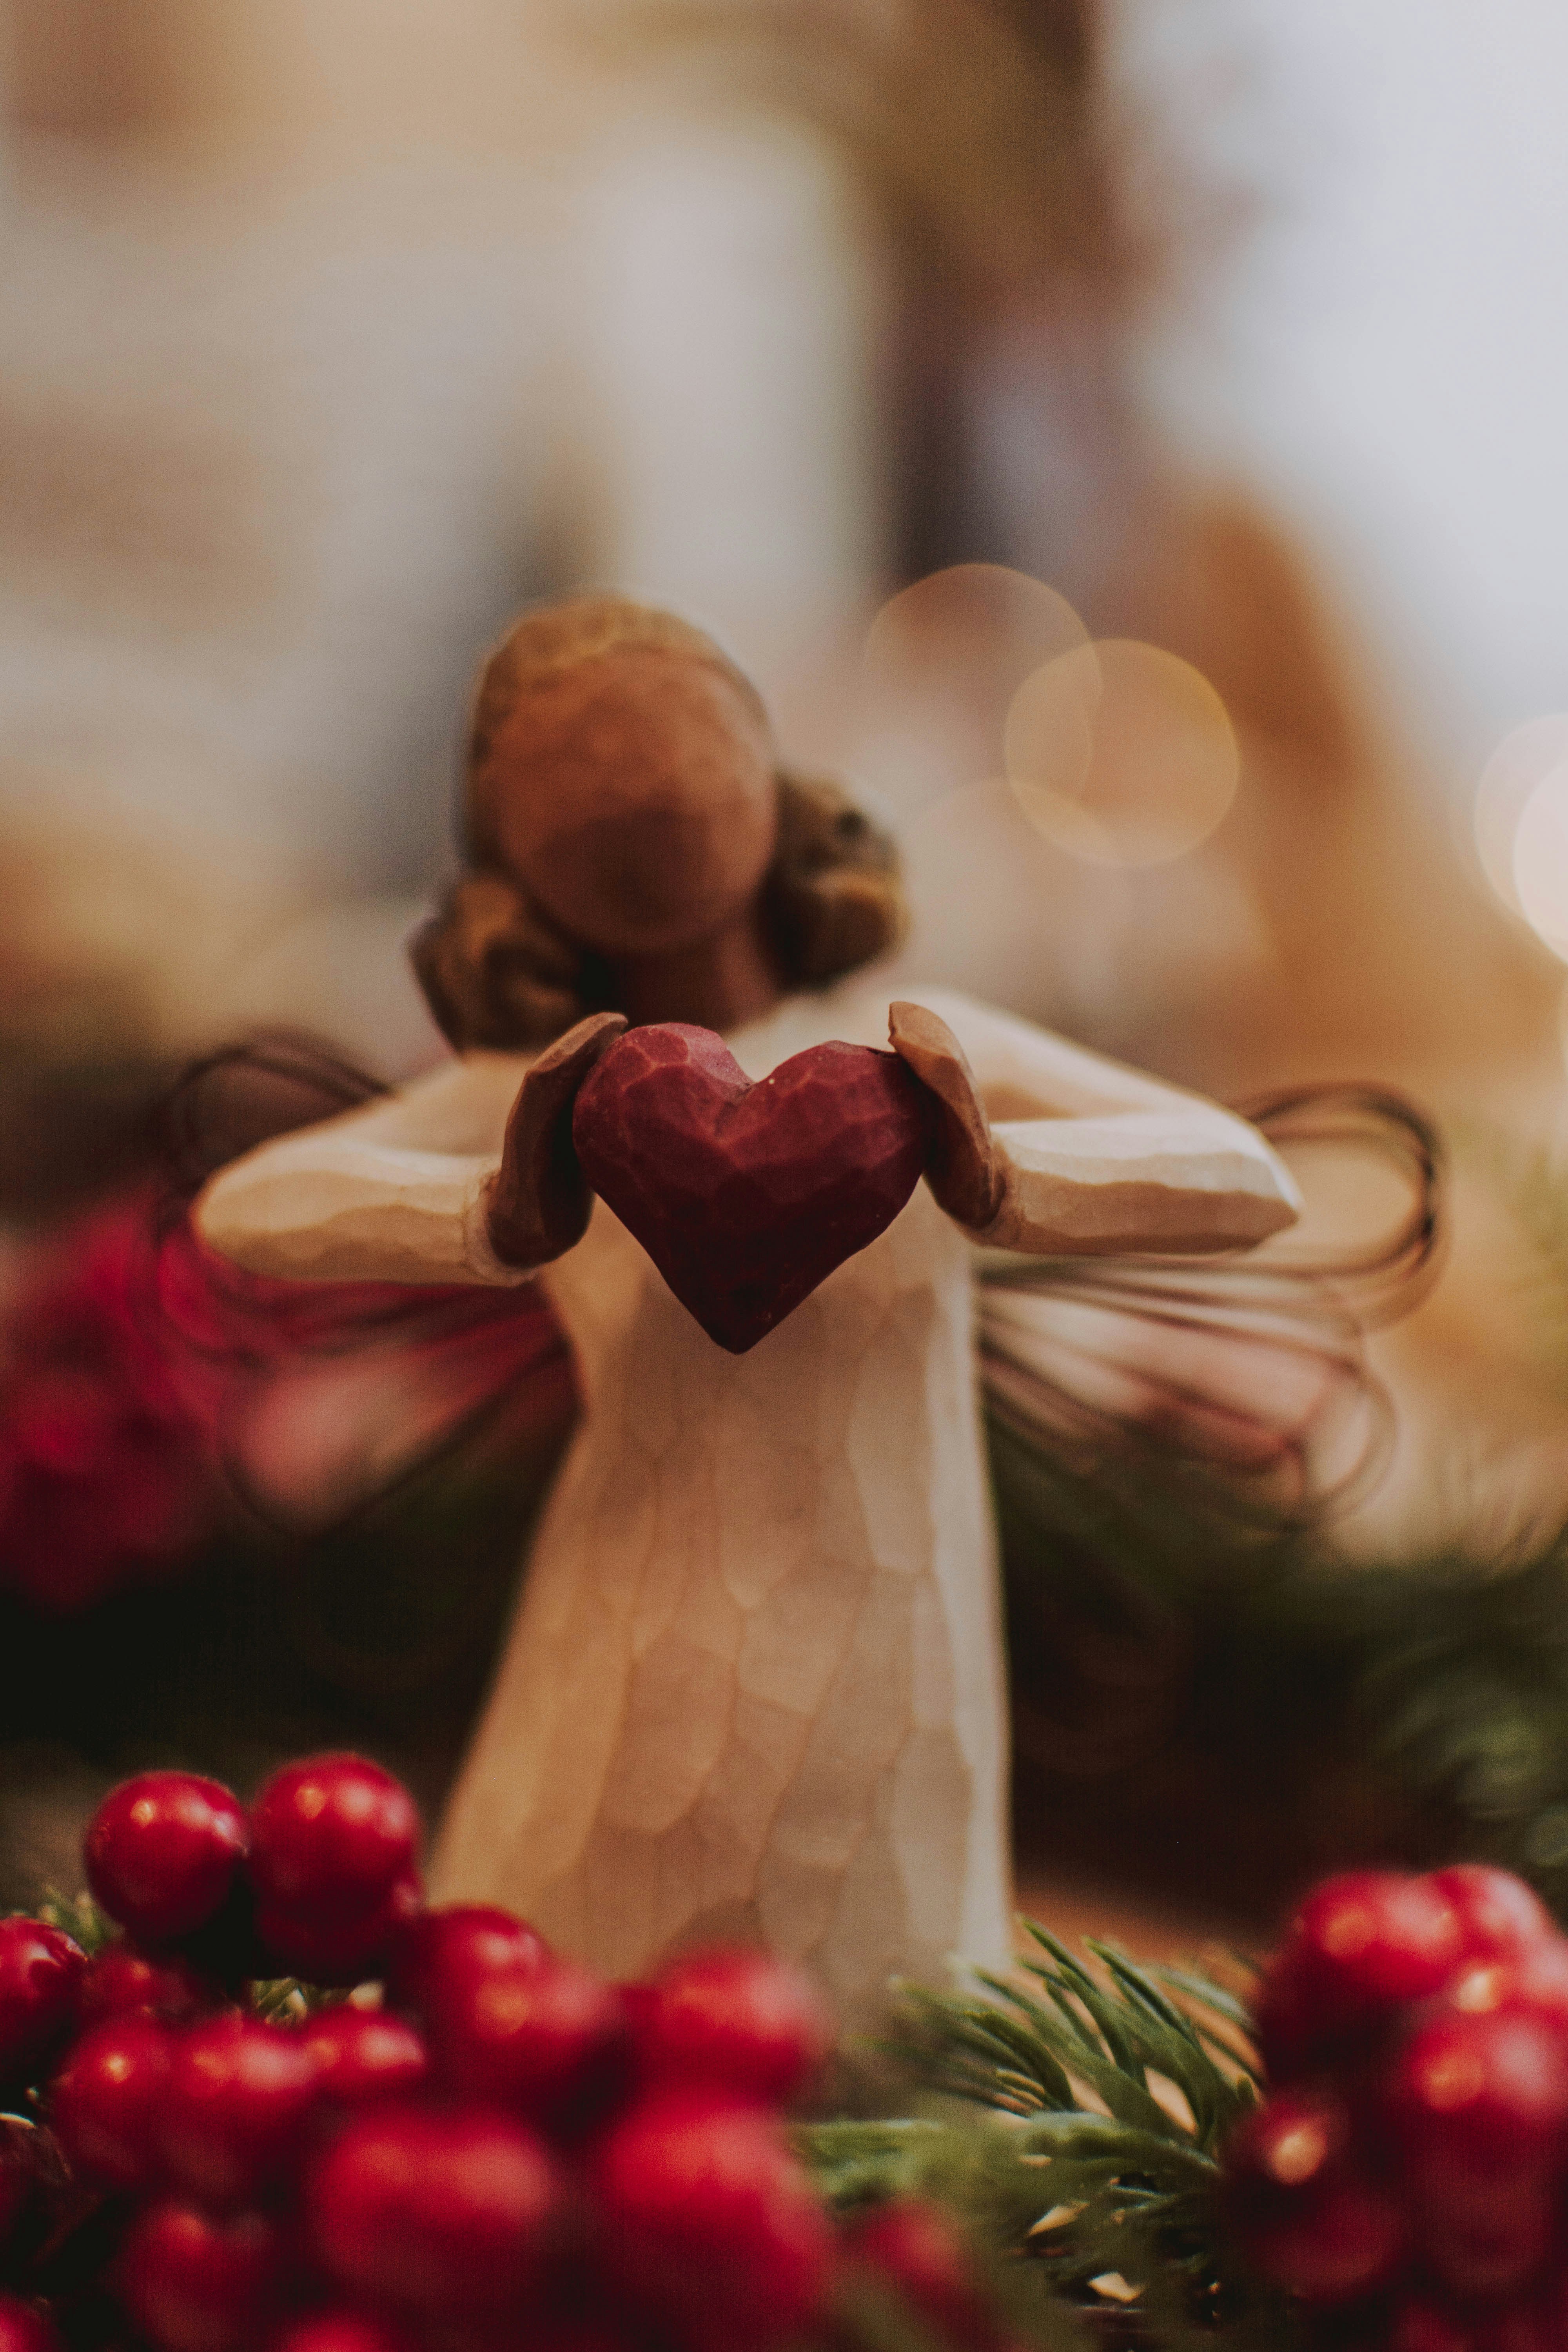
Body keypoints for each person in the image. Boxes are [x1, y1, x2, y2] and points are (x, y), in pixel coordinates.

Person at [194, 595, 1298, 2027]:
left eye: (678, 747)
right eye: (573, 787)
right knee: (566, 1978)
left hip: (897, 1682)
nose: (638, 793)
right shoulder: (552, 1085)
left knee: (895, 2028)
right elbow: (253, 1205)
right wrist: (489, 1214)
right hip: (629, 1671)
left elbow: (1244, 1174)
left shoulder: (932, 1054)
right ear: (511, 871)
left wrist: (997, 1174)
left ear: (771, 787)